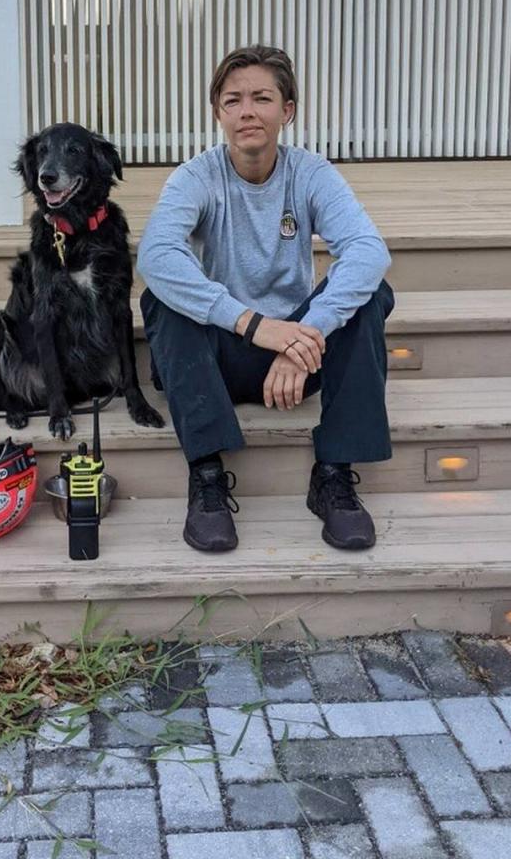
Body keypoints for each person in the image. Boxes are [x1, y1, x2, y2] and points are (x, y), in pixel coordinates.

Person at [137, 44, 395, 554]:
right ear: (218, 113)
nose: (247, 111)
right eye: (233, 100)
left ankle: (334, 476)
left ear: (287, 111)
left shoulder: (311, 172)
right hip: (219, 359)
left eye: (262, 98)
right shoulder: (196, 176)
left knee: (370, 295)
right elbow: (157, 254)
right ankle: (207, 477)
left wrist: (306, 333)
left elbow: (368, 251)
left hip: (299, 355)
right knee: (164, 299)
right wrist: (257, 326)